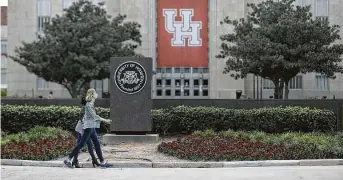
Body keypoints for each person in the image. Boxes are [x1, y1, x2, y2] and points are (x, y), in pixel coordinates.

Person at [64, 88, 113, 168]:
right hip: (88, 128)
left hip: (92, 127)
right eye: (95, 93)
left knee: (97, 144)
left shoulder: (91, 104)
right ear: (92, 94)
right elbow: (94, 116)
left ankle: (102, 162)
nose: (97, 94)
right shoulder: (89, 105)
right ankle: (68, 159)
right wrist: (105, 120)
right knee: (81, 144)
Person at [72, 96, 102, 168]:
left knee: (88, 144)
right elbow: (83, 119)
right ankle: (76, 160)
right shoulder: (85, 108)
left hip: (85, 128)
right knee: (86, 144)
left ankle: (76, 160)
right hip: (82, 129)